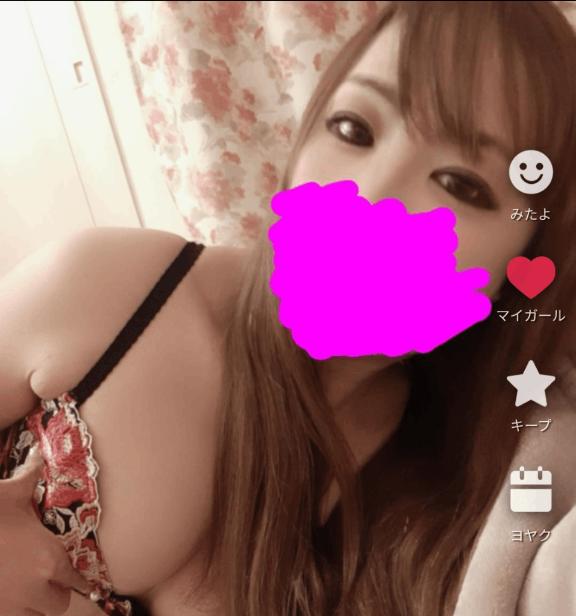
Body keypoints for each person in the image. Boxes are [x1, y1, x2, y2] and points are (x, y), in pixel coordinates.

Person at [1, 2, 575, 615]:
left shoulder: (491, 466)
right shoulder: (115, 288)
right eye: (353, 129)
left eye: (462, 185)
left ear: (527, 258)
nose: (370, 196)